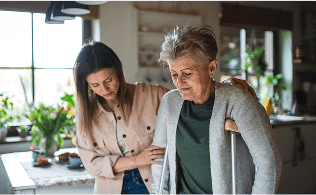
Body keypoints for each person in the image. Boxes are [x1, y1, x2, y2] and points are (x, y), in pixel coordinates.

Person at [73, 41, 256, 195]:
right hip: (111, 188)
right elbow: (92, 165)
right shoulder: (85, 115)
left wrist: (225, 88)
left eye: (108, 80)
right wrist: (137, 160)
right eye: (95, 85)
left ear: (118, 72)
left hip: (152, 184)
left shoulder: (153, 95)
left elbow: (195, 99)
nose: (104, 90)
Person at [150, 25, 282, 195]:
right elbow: (159, 156)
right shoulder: (170, 102)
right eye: (174, 74)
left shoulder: (239, 101)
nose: (179, 82)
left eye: (187, 74)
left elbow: (269, 162)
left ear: (211, 68)